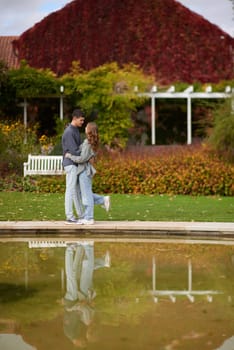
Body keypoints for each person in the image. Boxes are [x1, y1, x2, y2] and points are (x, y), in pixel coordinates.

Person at [63, 241, 110, 347]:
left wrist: (82, 305)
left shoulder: (73, 332)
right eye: (86, 338)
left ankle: (74, 249)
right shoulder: (81, 327)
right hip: (78, 299)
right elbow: (81, 310)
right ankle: (83, 247)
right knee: (79, 271)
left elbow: (74, 313)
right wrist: (80, 305)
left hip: (77, 299)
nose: (84, 337)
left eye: (83, 341)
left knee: (76, 272)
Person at [65, 122, 110, 225]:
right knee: (84, 195)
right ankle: (103, 200)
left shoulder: (89, 144)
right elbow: (78, 151)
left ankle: (89, 217)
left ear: (89, 130)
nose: (84, 127)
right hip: (83, 171)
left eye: (86, 126)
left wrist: (70, 156)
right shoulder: (87, 142)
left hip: (85, 171)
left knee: (86, 196)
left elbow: (82, 158)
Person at [62, 109, 85, 224]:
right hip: (70, 164)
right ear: (75, 118)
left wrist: (85, 148)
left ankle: (81, 215)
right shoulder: (69, 132)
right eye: (81, 120)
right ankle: (69, 216)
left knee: (75, 191)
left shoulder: (75, 130)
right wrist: (85, 153)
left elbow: (79, 148)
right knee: (70, 190)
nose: (82, 122)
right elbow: (75, 151)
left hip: (74, 163)